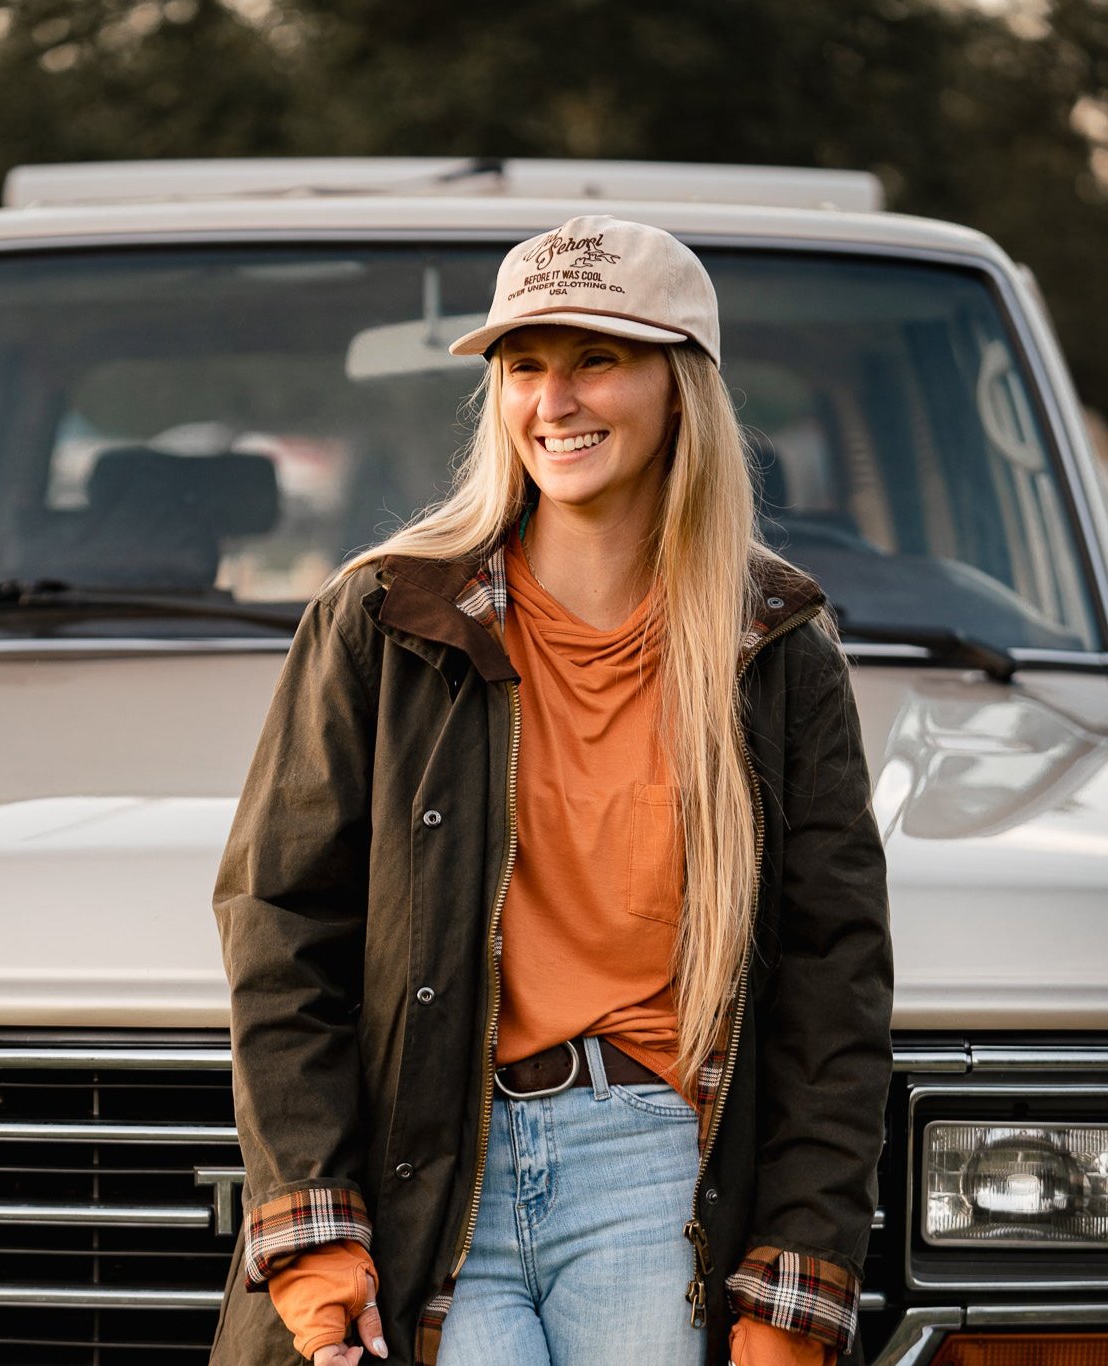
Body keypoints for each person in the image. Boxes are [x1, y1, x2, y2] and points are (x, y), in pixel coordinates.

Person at [212, 215, 892, 1366]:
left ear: (679, 386)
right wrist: (312, 1229)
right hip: (430, 1161)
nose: (554, 400)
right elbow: (280, 927)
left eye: (596, 359)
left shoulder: (772, 643)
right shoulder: (385, 619)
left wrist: (791, 1290)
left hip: (655, 1173)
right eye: (525, 365)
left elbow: (836, 982)